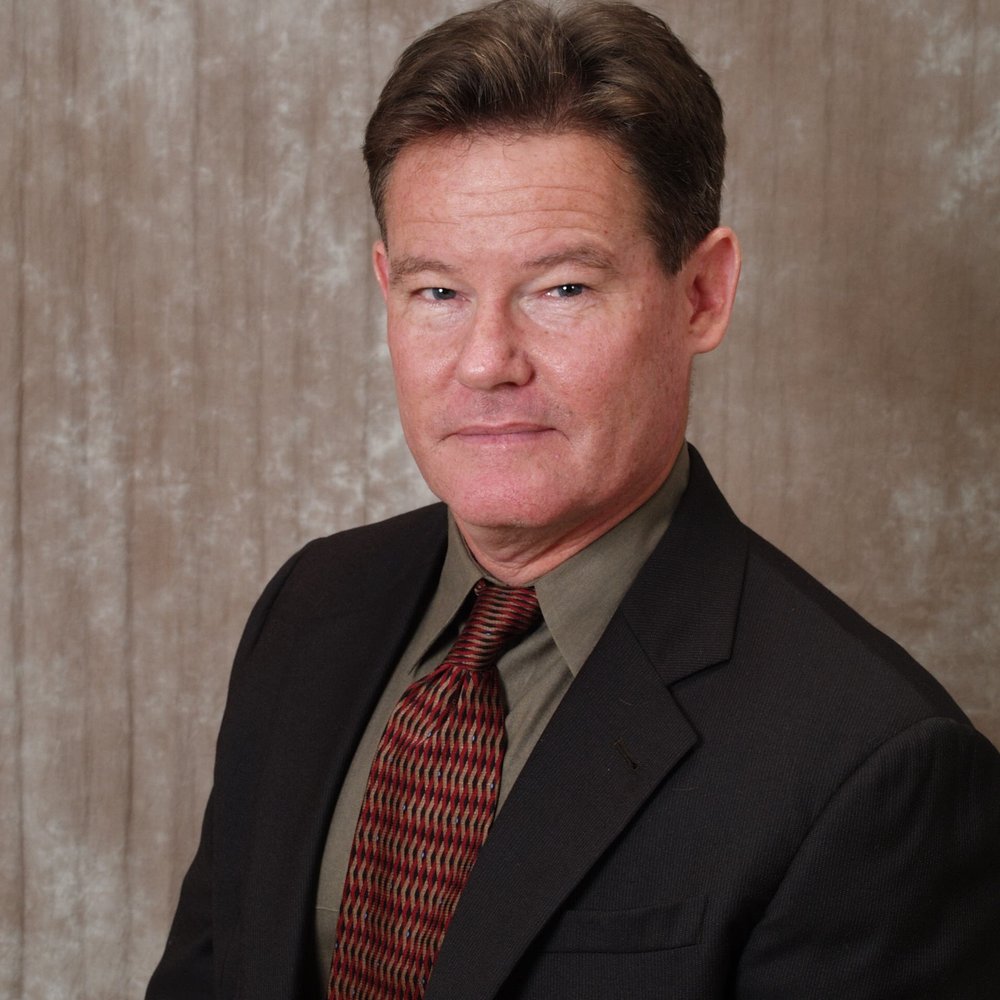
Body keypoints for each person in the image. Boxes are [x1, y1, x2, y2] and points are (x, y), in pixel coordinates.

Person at [146, 2, 1000, 997]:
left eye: (561, 289)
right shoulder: (309, 610)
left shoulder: (872, 771)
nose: (485, 362)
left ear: (702, 294)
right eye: (437, 292)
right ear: (385, 288)